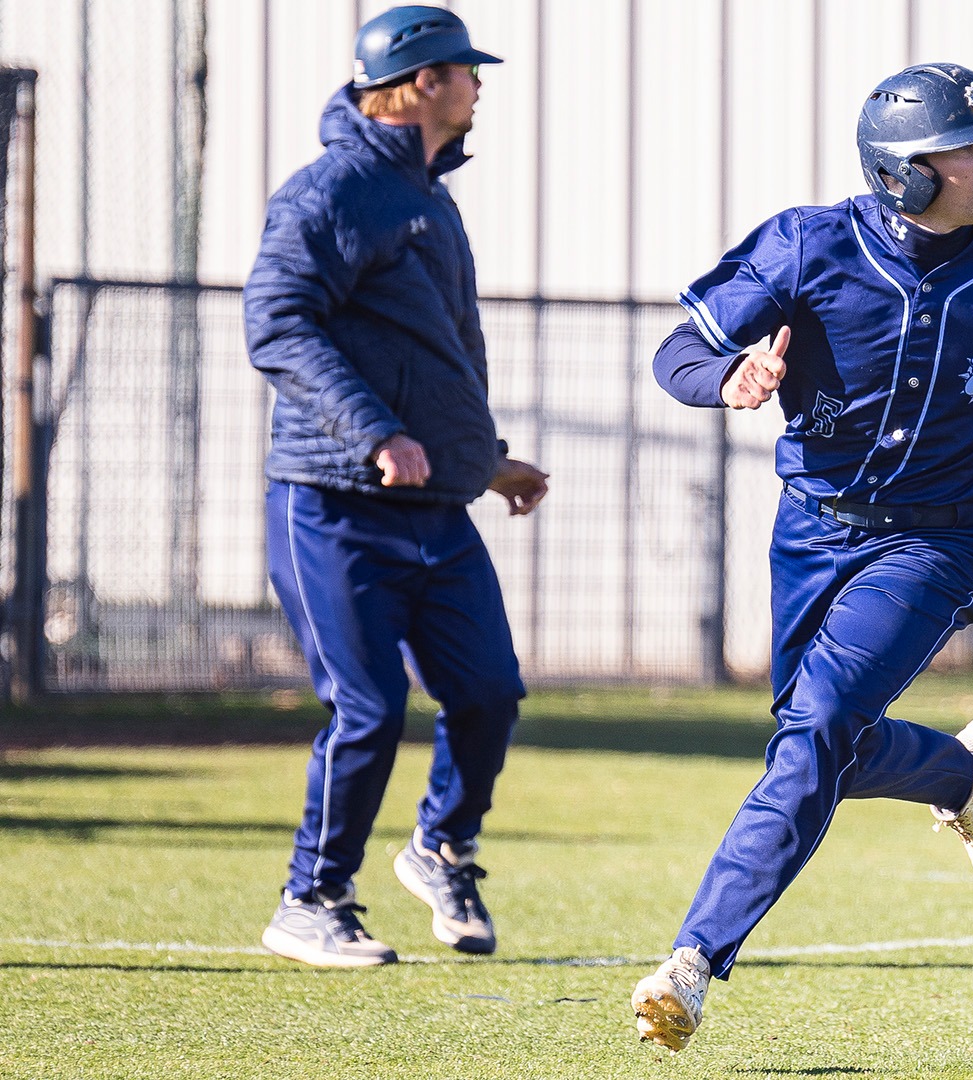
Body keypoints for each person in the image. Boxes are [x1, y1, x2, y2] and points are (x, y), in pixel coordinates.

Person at [631, 62, 973, 1050]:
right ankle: (962, 778)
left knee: (814, 730)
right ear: (900, 171)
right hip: (812, 531)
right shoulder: (807, 246)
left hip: (939, 542)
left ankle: (691, 962)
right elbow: (675, 354)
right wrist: (729, 374)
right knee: (825, 743)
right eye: (969, 148)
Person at [243, 5, 549, 968]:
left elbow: (434, 355)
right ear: (422, 82)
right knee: (370, 707)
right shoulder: (333, 190)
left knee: (490, 692)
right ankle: (311, 899)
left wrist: (482, 460)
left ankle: (440, 847)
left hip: (434, 506)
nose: (479, 85)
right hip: (332, 504)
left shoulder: (427, 196)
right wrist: (374, 431)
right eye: (466, 70)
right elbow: (277, 322)